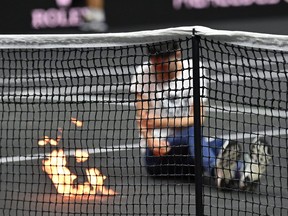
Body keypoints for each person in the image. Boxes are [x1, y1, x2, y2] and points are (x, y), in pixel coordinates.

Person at [130, 41, 272, 191]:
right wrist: (151, 141)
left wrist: (159, 121)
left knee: (217, 144)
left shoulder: (193, 70)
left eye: (163, 62)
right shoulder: (143, 73)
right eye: (155, 63)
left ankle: (241, 175)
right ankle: (239, 170)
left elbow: (197, 118)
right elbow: (143, 119)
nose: (158, 67)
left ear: (177, 54)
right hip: (157, 158)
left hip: (191, 154)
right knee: (202, 138)